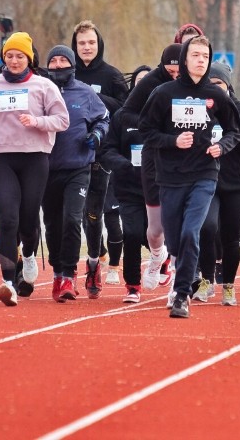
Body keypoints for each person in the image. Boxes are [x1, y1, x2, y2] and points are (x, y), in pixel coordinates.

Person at [139, 35, 240, 318]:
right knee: (174, 240)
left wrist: (221, 146)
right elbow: (146, 130)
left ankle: (182, 294)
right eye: (195, 55)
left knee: (190, 232)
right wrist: (172, 141)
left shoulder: (216, 95)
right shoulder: (163, 93)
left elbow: (236, 130)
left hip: (204, 174)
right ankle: (177, 271)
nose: (200, 60)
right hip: (170, 176)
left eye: (205, 56)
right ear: (185, 59)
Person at [0, 31, 69, 306]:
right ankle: (7, 283)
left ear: (28, 58)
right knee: (7, 220)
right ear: (3, 57)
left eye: (19, 56)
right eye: (9, 56)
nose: (14, 61)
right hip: (1, 158)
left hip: (34, 158)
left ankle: (28, 255)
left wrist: (37, 122)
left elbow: (62, 120)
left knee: (28, 220)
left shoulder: (43, 86)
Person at [41, 45, 109, 302]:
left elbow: (104, 118)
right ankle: (57, 271)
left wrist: (97, 135)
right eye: (54, 61)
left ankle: (69, 275)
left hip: (78, 168)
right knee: (52, 224)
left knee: (72, 219)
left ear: (72, 64)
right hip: (46, 167)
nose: (58, 65)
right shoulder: (40, 90)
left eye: (63, 60)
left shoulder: (86, 93)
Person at [196, 63, 240, 305]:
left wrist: (234, 136)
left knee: (230, 237)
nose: (215, 89)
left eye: (219, 84)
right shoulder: (199, 110)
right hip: (207, 180)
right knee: (207, 229)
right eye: (210, 85)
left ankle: (229, 286)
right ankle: (206, 279)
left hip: (237, 183)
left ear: (228, 86)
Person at [121, 44, 184, 290]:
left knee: (182, 219)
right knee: (155, 228)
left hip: (184, 158)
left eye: (179, 71)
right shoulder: (151, 83)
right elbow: (126, 113)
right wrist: (152, 125)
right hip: (154, 156)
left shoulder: (195, 84)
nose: (175, 75)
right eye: (170, 70)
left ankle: (181, 280)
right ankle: (157, 255)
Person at [71, 20, 126, 289]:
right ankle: (92, 256)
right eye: (82, 43)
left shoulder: (112, 76)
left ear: (99, 44)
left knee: (94, 212)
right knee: (77, 213)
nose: (87, 47)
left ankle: (94, 263)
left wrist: (93, 99)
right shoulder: (65, 74)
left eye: (91, 42)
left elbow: (125, 109)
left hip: (100, 153)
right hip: (70, 152)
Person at [101, 66, 154, 302]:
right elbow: (107, 149)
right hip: (129, 187)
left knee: (154, 235)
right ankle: (133, 285)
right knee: (132, 234)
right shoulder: (121, 117)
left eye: (148, 83)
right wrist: (121, 163)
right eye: (139, 82)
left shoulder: (162, 115)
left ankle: (161, 259)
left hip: (158, 187)